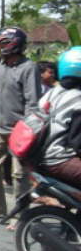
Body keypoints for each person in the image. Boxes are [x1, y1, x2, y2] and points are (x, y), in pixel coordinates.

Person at [0, 27, 42, 222]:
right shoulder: (2, 65)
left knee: (19, 174)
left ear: (11, 45)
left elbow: (32, 102)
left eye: (0, 44)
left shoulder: (28, 68)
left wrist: (28, 130)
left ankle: (20, 217)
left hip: (20, 129)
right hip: (0, 126)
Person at [36, 47, 81, 190]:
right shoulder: (78, 99)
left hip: (39, 157)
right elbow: (77, 143)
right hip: (59, 159)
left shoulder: (52, 93)